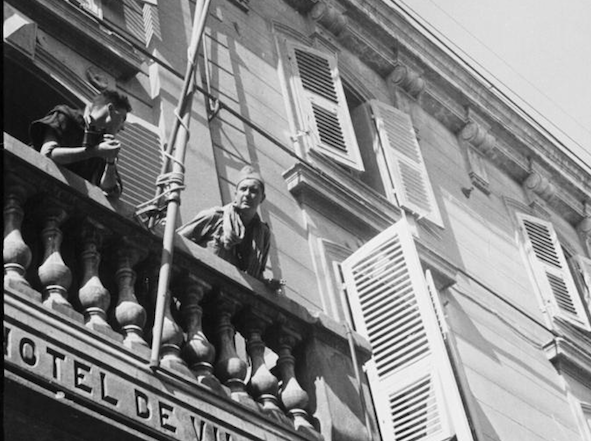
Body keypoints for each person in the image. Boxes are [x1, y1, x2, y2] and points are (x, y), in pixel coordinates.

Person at [178, 165, 282, 288]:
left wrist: (271, 284)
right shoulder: (215, 217)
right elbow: (178, 240)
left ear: (262, 198)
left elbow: (256, 276)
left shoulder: (263, 234)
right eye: (243, 189)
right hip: (199, 284)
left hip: (229, 294)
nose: (247, 195)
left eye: (254, 191)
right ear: (235, 194)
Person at [29, 89, 132, 198]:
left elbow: (111, 191)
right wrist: (96, 151)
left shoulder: (102, 144)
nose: (123, 127)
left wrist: (110, 161)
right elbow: (47, 154)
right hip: (33, 187)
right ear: (110, 109)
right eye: (122, 119)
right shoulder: (66, 115)